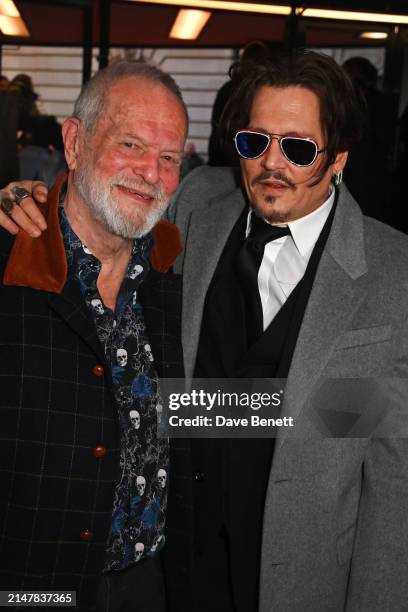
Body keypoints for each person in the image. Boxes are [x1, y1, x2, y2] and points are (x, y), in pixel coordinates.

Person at [3, 49, 408, 612]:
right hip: (176, 575)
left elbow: (395, 477)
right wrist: (28, 201)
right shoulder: (197, 204)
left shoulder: (395, 271)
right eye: (254, 141)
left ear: (337, 158)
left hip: (303, 580)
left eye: (297, 147)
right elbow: (101, 213)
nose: (272, 164)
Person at [0, 59, 187, 611]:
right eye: (130, 145)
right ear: (75, 143)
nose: (150, 172)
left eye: (170, 157)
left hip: (150, 587)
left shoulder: (175, 270)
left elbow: (198, 409)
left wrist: (337, 413)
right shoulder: (13, 261)